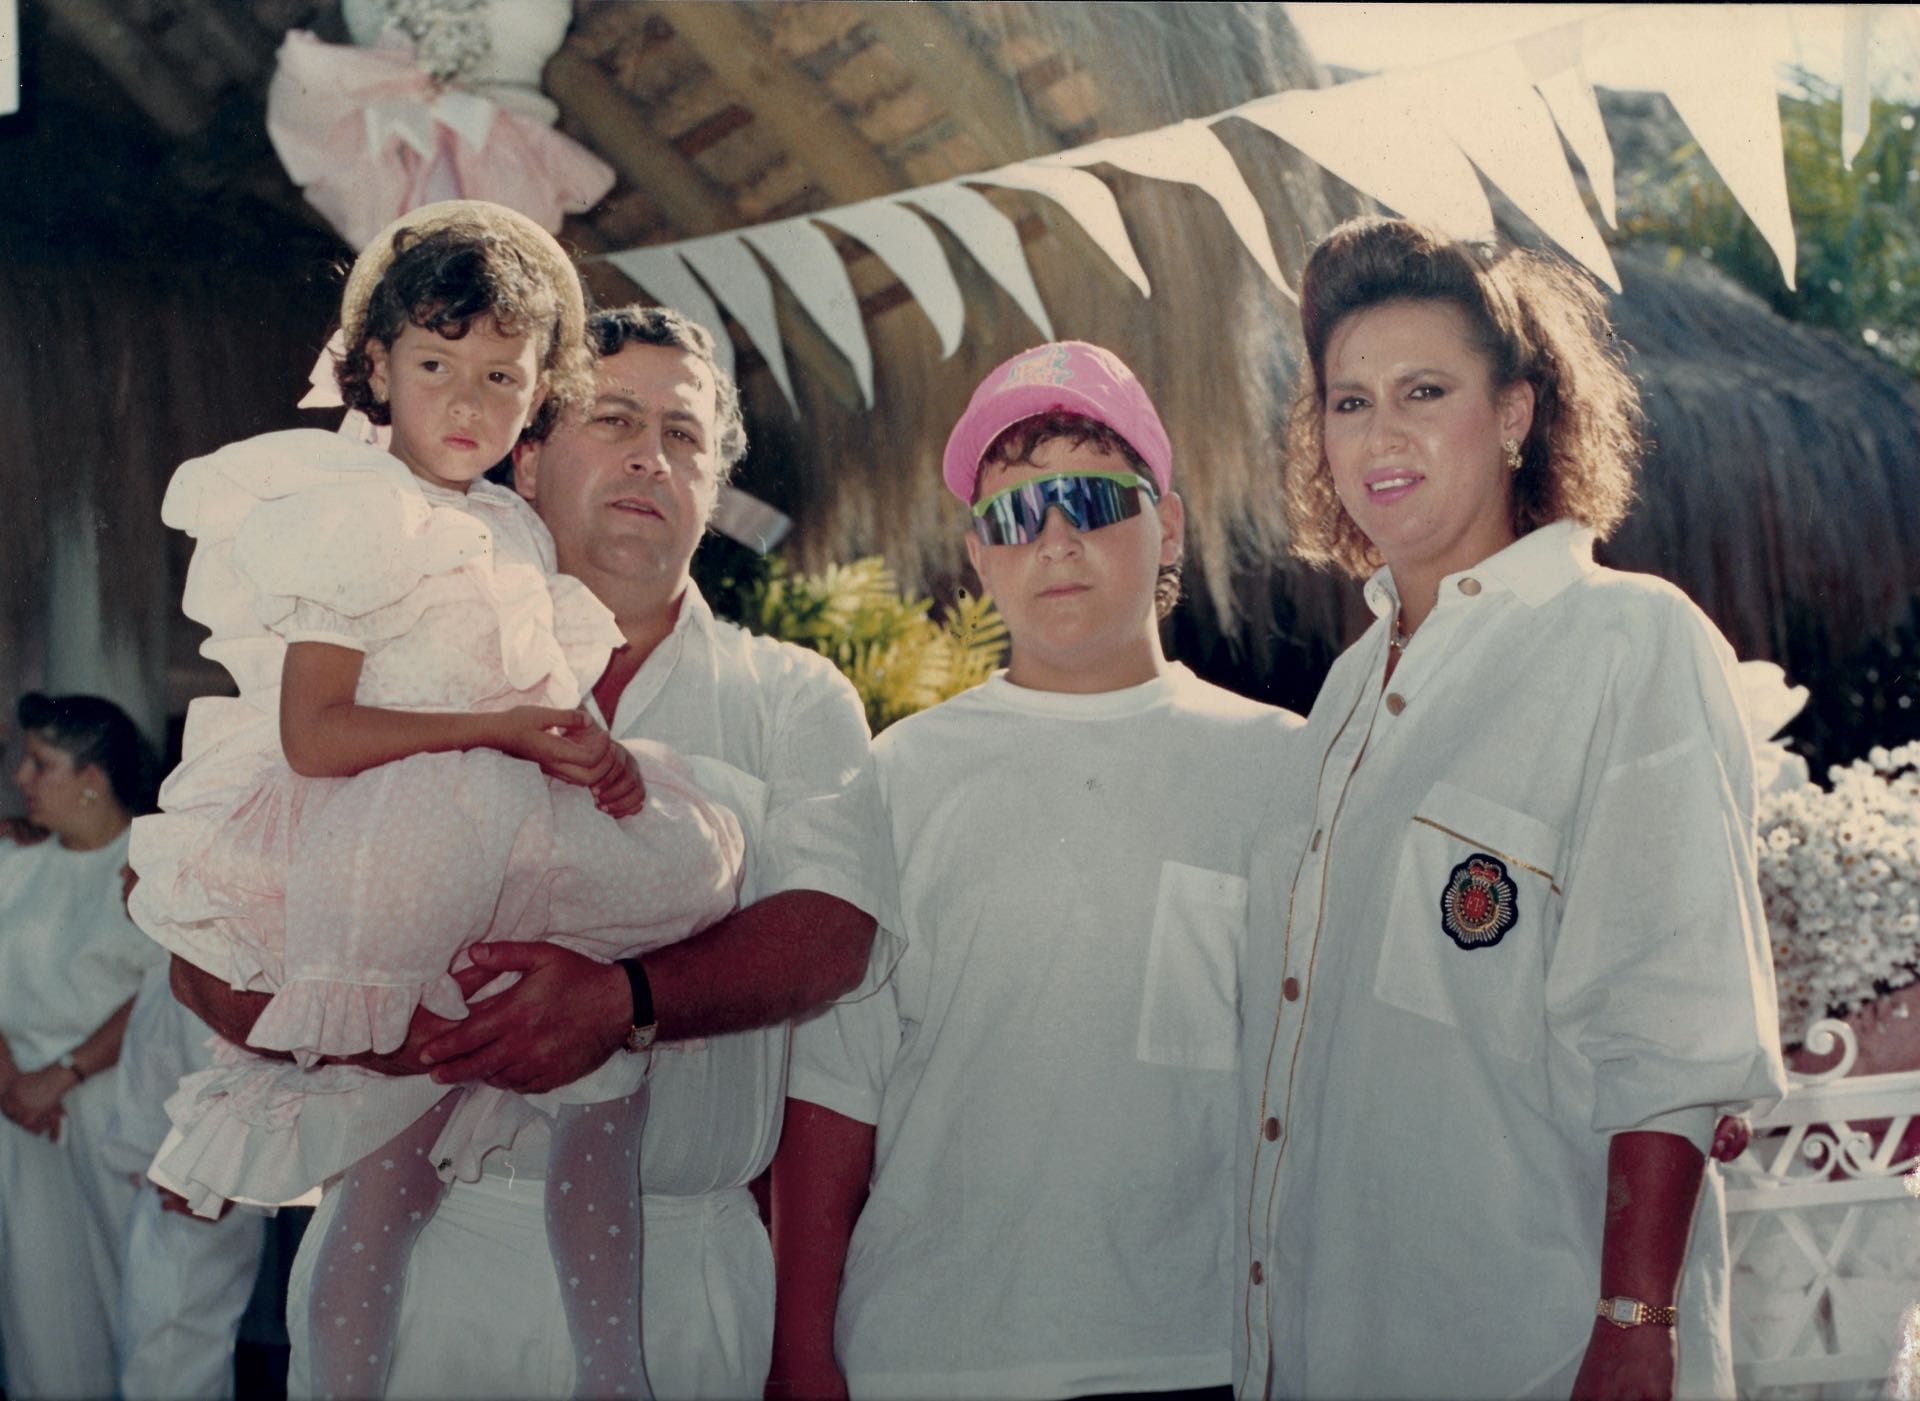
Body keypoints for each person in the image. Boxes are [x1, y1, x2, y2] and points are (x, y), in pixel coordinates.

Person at [169, 302, 892, 1399]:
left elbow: (832, 938)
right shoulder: (386, 651)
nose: (653, 454)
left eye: (685, 435)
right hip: (410, 1260)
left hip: (676, 1277)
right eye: (613, 418)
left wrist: (624, 998)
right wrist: (365, 1030)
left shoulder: (789, 696)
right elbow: (206, 924)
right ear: (529, 451)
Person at [1237, 216, 1788, 1400]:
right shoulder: (1341, 696)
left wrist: (1635, 1323)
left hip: (1540, 1344)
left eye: (1424, 390)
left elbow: (1672, 1022)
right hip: (1330, 1342)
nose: (1380, 434)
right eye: (1348, 401)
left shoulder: (1626, 640)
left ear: (1519, 413)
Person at [767, 341, 1300, 1400]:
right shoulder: (896, 777)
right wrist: (797, 1350)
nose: (1055, 540)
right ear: (978, 557)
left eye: (1093, 501)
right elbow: (831, 1089)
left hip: (1200, 1354)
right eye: (1016, 513)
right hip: (926, 1354)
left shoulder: (1286, 769)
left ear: (1171, 528)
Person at [0, 692, 164, 1398]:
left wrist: (63, 1073)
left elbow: (164, 990)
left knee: (134, 1293)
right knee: (39, 1306)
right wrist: (11, 1077)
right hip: (19, 1109)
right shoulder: (15, 860)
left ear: (93, 776)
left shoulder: (151, 863)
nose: (22, 778)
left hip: (112, 1103)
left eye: (42, 763)